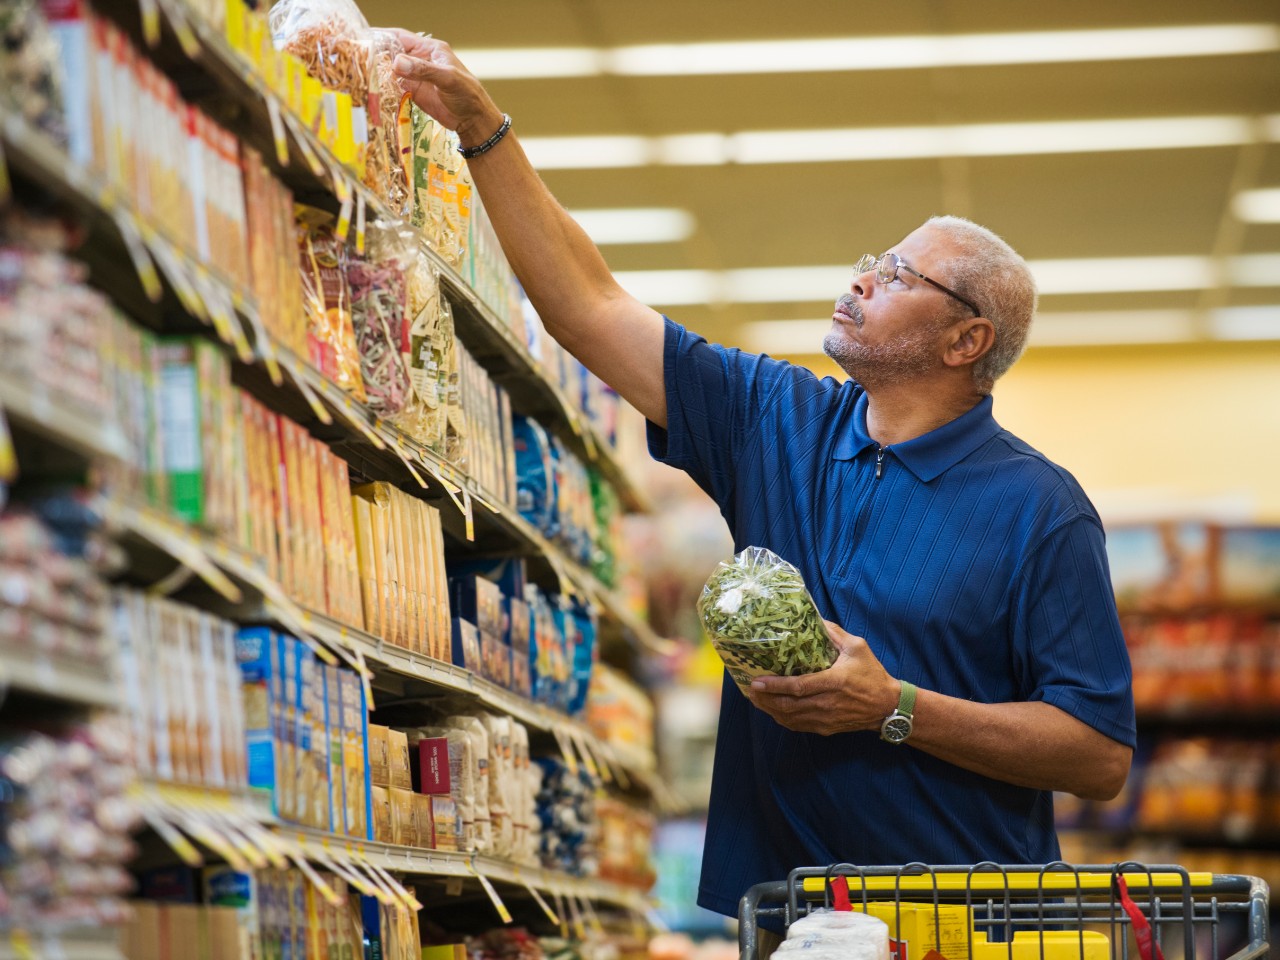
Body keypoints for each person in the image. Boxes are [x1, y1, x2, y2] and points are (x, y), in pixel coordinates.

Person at [392, 35, 1136, 933]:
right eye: (875, 257)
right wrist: (485, 132)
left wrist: (893, 708)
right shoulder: (776, 420)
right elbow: (588, 308)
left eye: (900, 274)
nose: (863, 277)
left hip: (971, 930)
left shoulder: (1040, 510)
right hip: (792, 920)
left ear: (966, 340)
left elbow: (1097, 756)